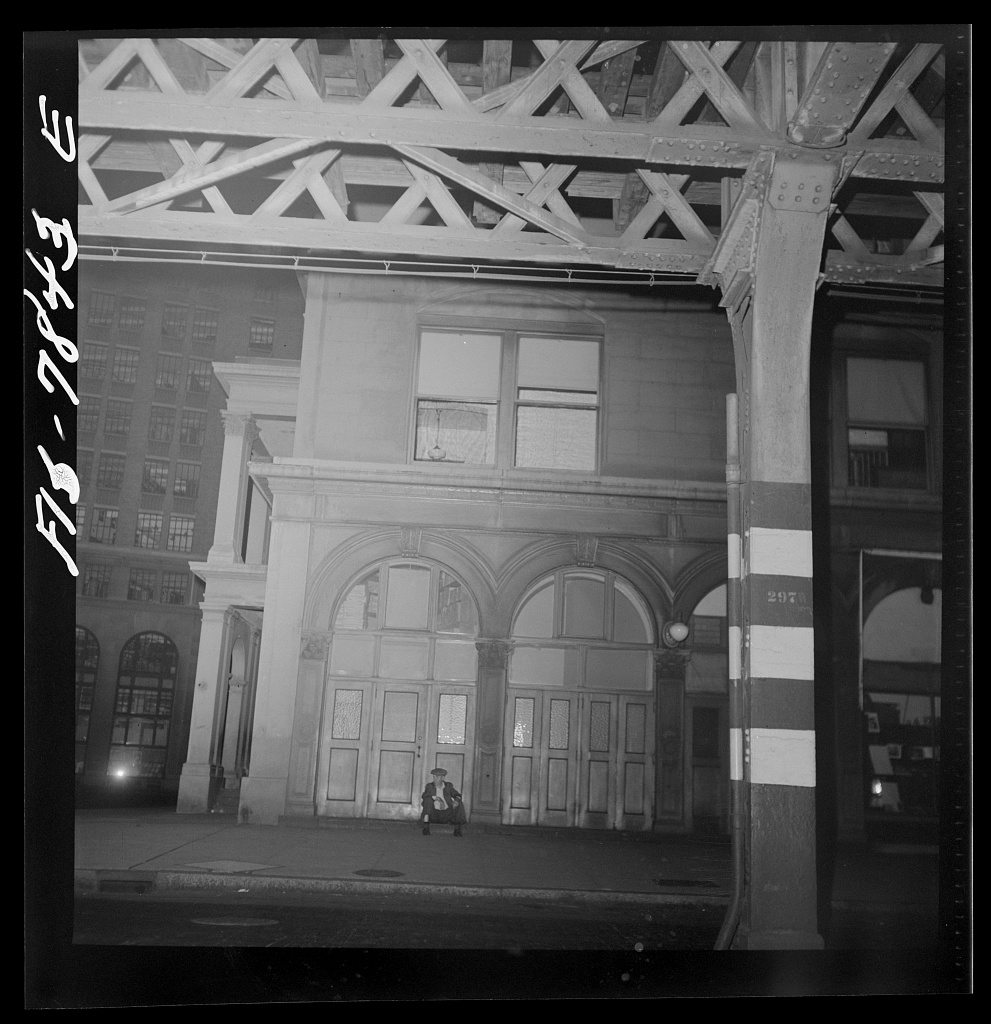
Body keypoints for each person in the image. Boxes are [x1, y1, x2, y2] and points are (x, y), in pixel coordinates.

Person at [420, 767, 467, 837]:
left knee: (459, 803)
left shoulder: (448, 786)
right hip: (434, 813)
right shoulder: (430, 786)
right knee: (427, 800)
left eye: (437, 777)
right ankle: (426, 827)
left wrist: (456, 801)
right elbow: (424, 795)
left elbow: (457, 795)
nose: (435, 779)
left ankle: (457, 829)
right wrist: (438, 799)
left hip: (447, 813)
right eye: (434, 777)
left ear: (443, 778)